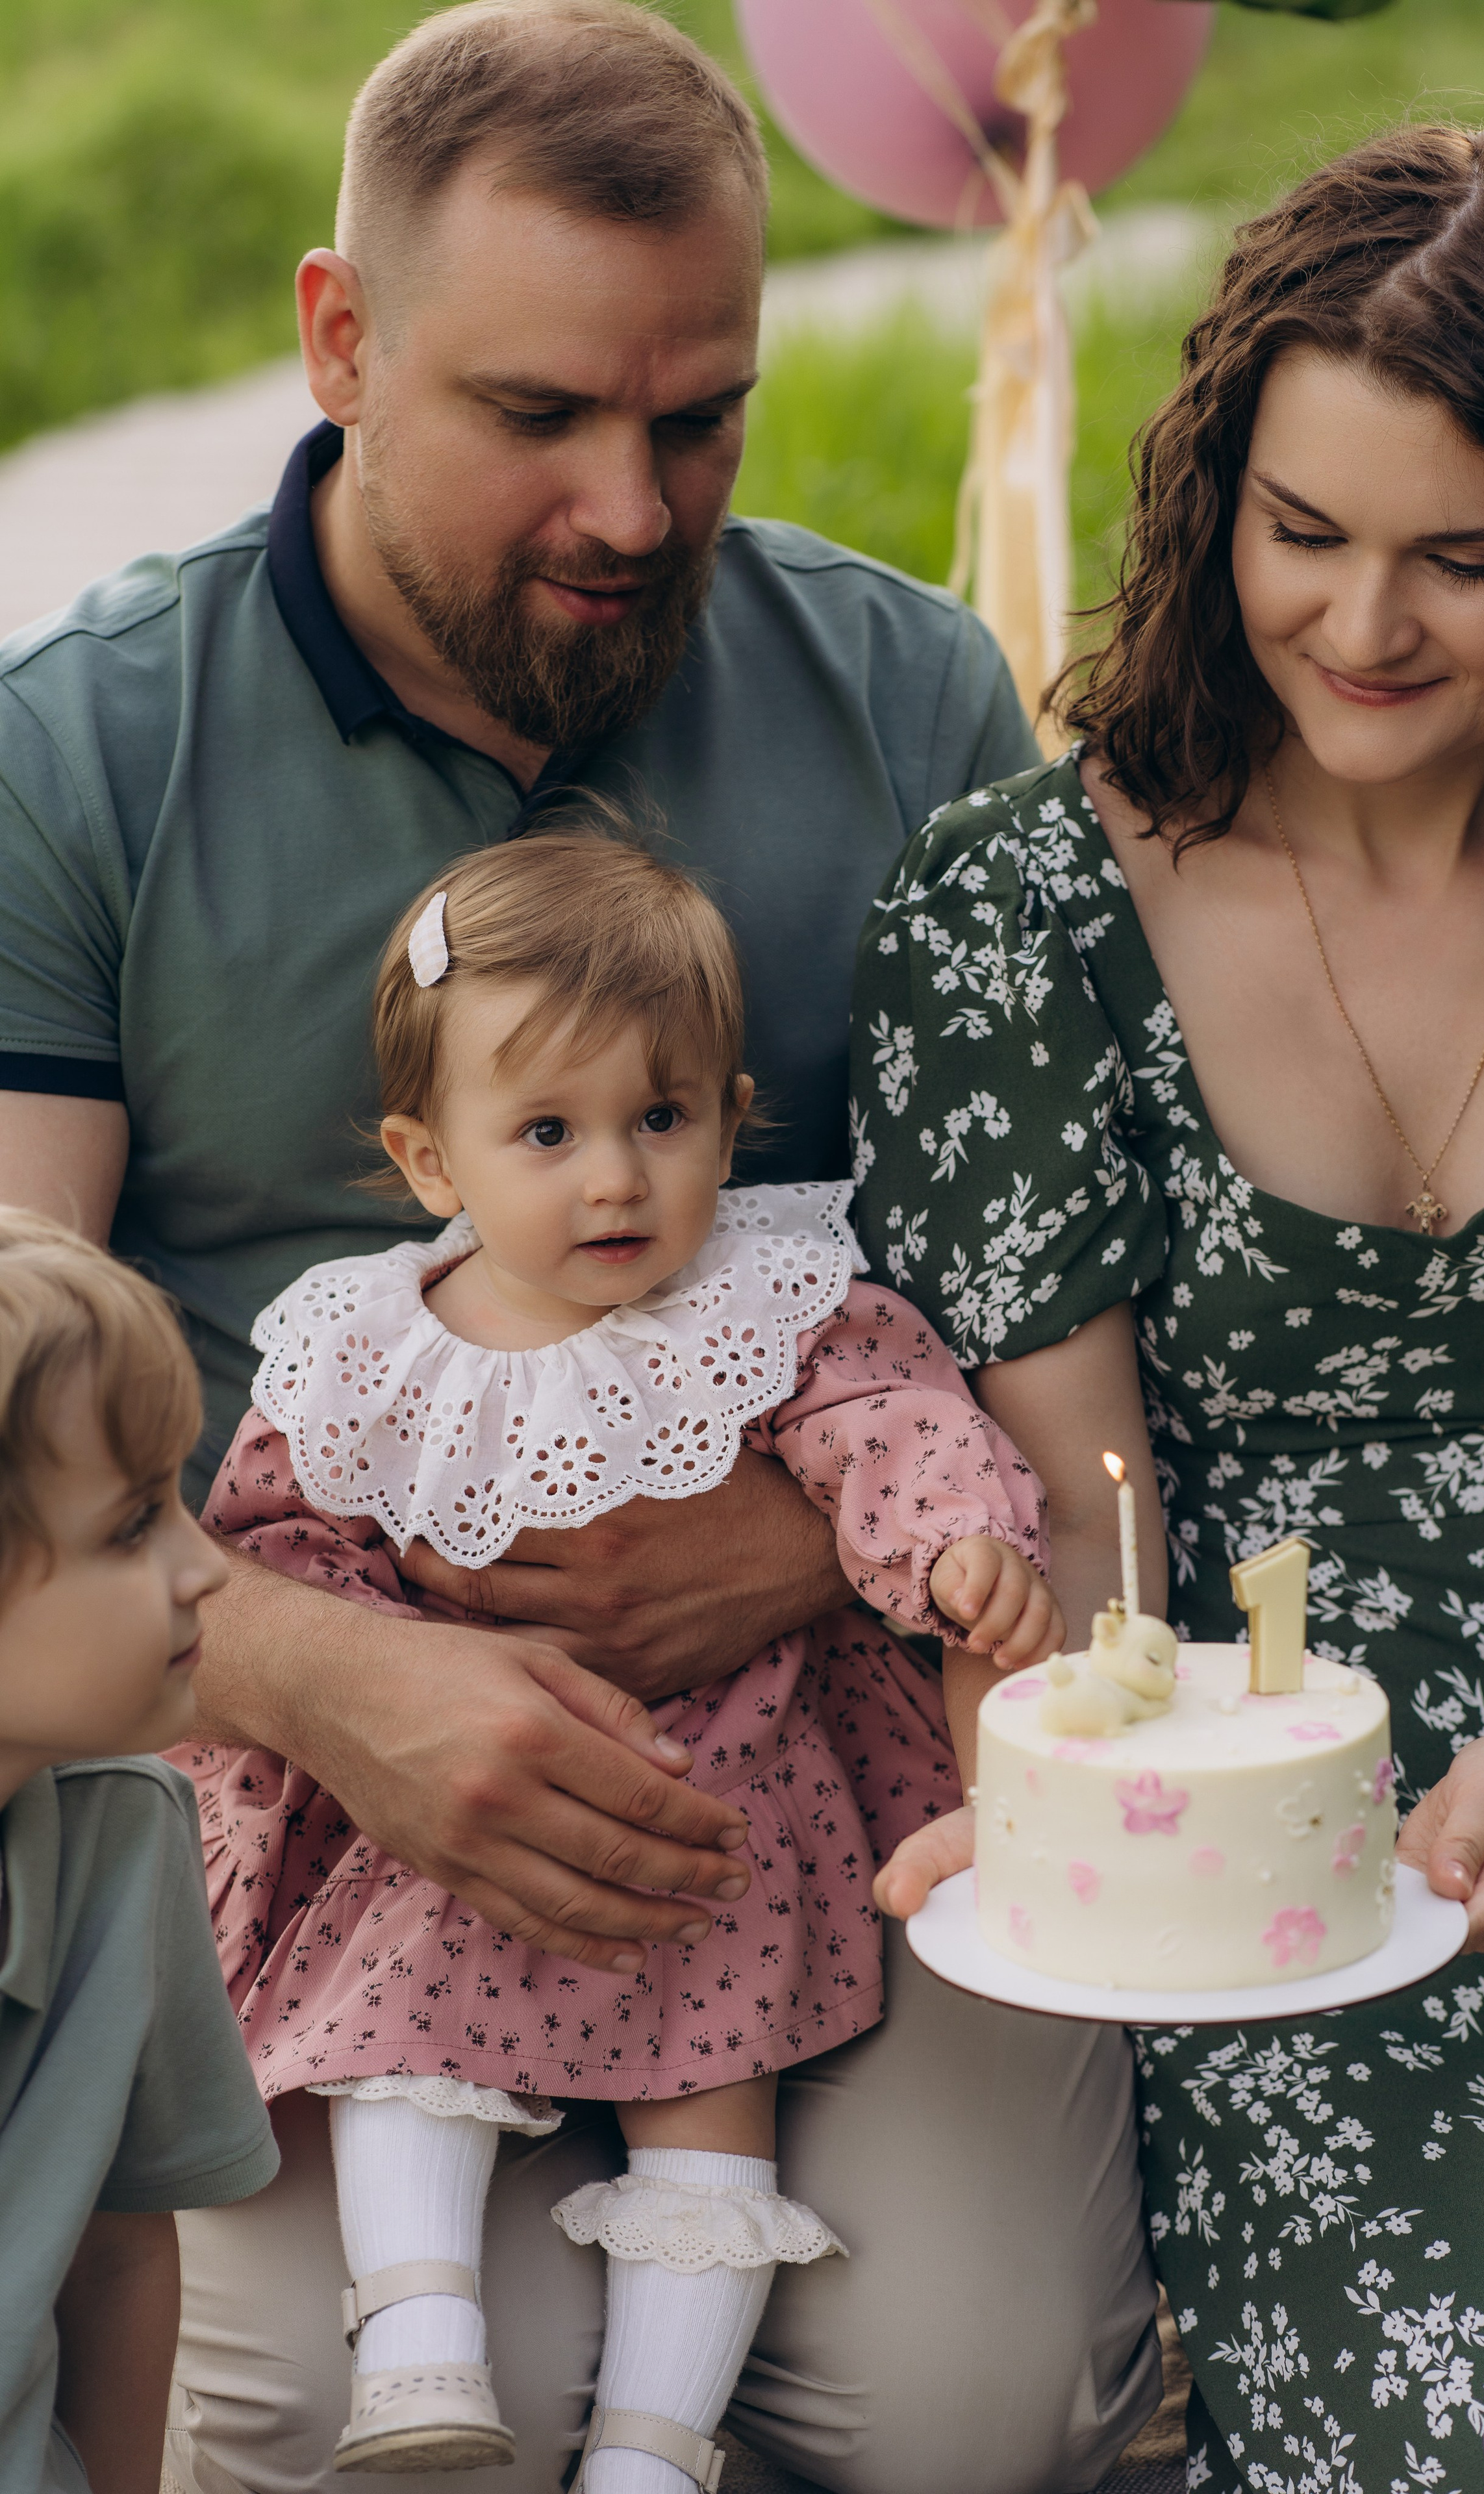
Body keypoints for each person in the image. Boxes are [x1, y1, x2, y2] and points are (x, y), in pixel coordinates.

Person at [0, 6, 1164, 2486]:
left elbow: (1025, 1281)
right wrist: (323, 1674)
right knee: (360, 2415)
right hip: (301, 1756)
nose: (637, 509)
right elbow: (9, 1404)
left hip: (818, 1742)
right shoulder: (84, 754)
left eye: (702, 413)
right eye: (539, 416)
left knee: (970, 2405)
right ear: (341, 340)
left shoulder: (903, 697)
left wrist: (814, 1548)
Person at [854, 123, 1484, 2491]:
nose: (1361, 623)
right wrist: (1053, 1774)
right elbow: (1087, 1532)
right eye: (1302, 533)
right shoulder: (1023, 914)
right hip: (1304, 1901)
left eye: (1467, 562)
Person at [192, 824, 1061, 2477]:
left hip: (729, 1820)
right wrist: (382, 1667)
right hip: (459, 1817)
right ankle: (421, 2337)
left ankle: (651, 2454)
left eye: (661, 1119)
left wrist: (949, 1541)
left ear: (733, 1122)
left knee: (711, 2124)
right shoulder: (368, 1345)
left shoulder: (769, 1308)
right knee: (397, 2039)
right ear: (428, 1156)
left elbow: (892, 1424)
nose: (613, 1176)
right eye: (546, 1130)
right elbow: (281, 1542)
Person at [0, 1209, 278, 2494]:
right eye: (128, 1529)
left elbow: (119, 2248)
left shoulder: (123, 1827)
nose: (202, 1565)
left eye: (178, 1496)